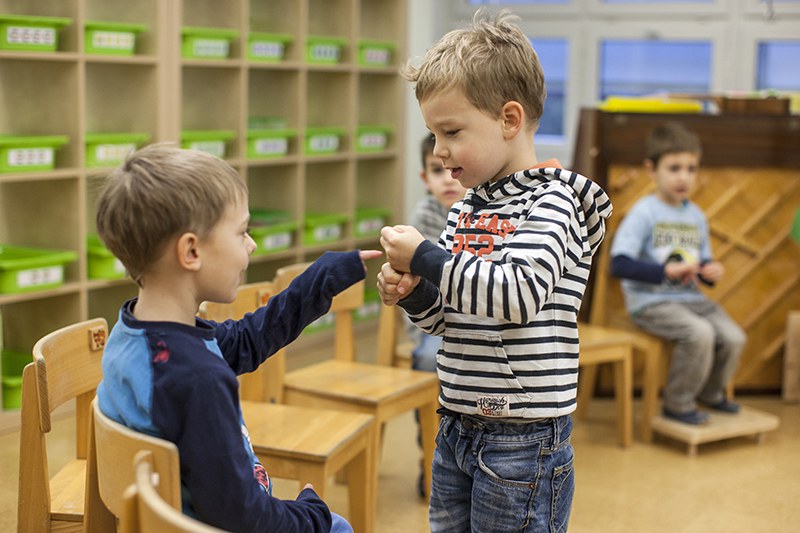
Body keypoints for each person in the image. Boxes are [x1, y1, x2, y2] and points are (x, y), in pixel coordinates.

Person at [377, 10, 612, 532]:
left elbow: (517, 295)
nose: (439, 151)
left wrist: (425, 258)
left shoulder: (555, 203)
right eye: (433, 135)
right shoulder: (466, 208)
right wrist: (416, 292)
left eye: (451, 131)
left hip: (522, 440)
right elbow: (447, 320)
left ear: (509, 119)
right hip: (456, 422)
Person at [94, 144, 380, 532]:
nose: (252, 245)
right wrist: (312, 514)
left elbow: (244, 341)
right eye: (242, 232)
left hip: (172, 513)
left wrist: (321, 279)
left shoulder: (139, 335)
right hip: (203, 524)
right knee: (338, 526)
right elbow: (241, 516)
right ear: (191, 251)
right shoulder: (196, 379)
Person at [609, 122, 746, 425]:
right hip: (651, 302)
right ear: (651, 169)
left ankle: (711, 394)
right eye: (674, 168)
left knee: (734, 337)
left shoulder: (696, 216)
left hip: (690, 299)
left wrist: (710, 273)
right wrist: (665, 270)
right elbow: (618, 265)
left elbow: (702, 268)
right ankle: (678, 404)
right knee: (699, 334)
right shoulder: (644, 212)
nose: (684, 176)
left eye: (691, 168)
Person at [408, 132, 468, 372]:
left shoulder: (484, 210)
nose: (447, 180)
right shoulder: (425, 215)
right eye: (436, 170)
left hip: (479, 314)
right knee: (428, 359)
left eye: (454, 169)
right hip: (436, 318)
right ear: (425, 178)